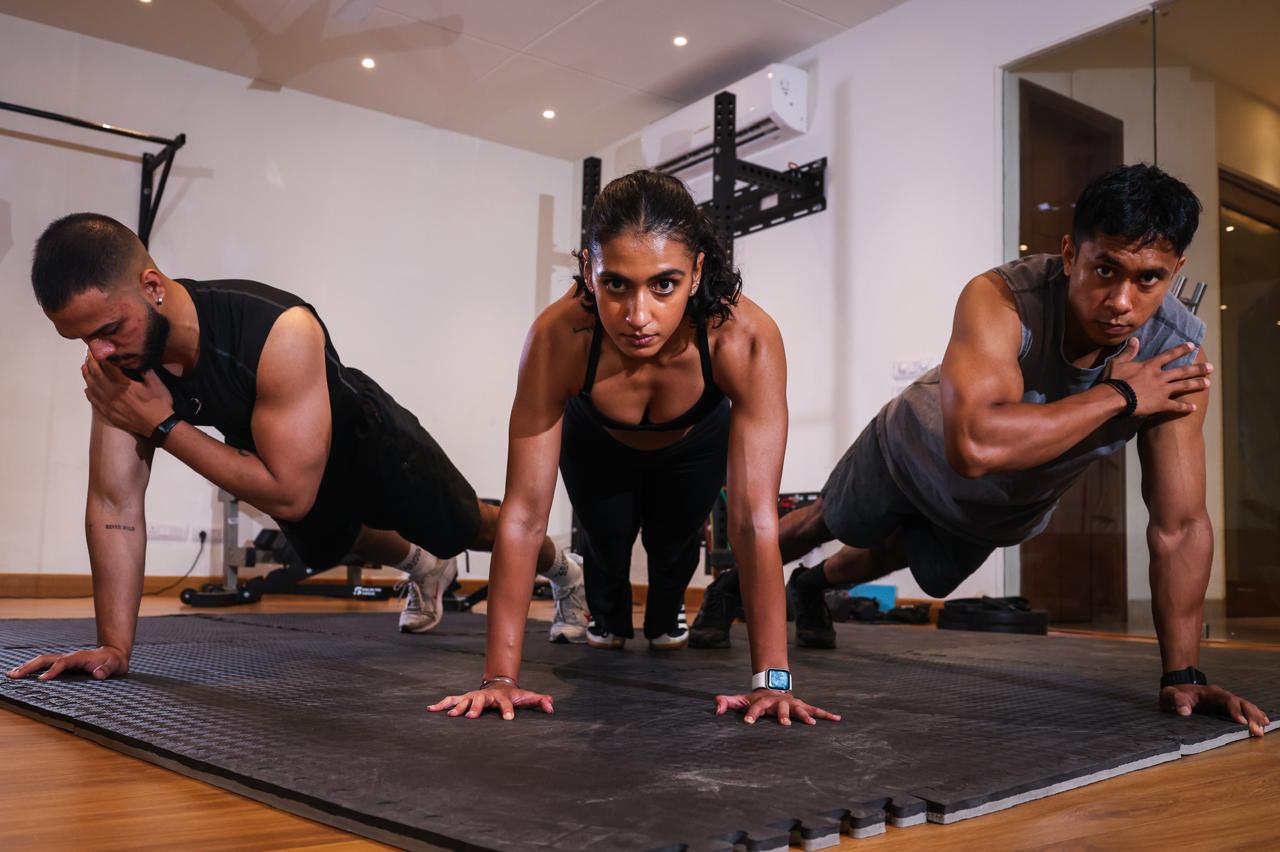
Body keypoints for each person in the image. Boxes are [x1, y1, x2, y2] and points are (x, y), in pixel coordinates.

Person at [694, 163, 1270, 737]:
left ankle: (812, 587)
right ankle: (729, 586)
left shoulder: (1174, 354)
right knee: (836, 519)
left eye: (1148, 279)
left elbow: (1181, 523)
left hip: (1003, 502)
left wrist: (1183, 673)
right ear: (1070, 254)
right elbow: (973, 445)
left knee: (909, 556)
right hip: (911, 448)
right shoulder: (1001, 297)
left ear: (1175, 272)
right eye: (1104, 269)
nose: (1120, 299)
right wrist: (1120, 394)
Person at [6, 213, 587, 684]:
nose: (99, 353)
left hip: (373, 445)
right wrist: (113, 647)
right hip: (289, 467)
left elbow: (287, 492)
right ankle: (423, 566)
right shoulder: (122, 368)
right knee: (327, 537)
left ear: (152, 287)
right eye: (82, 339)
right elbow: (114, 507)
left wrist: (164, 426)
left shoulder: (278, 329)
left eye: (108, 329)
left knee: (468, 530)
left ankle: (565, 570)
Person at [429, 171, 838, 725]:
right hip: (596, 440)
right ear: (587, 272)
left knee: (674, 544)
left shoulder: (745, 337)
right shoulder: (558, 337)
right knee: (605, 540)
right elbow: (523, 517)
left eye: (663, 285)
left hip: (695, 443)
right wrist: (500, 678)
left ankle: (667, 615)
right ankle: (608, 617)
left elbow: (753, 521)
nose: (638, 316)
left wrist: (774, 681)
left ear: (696, 273)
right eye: (616, 285)